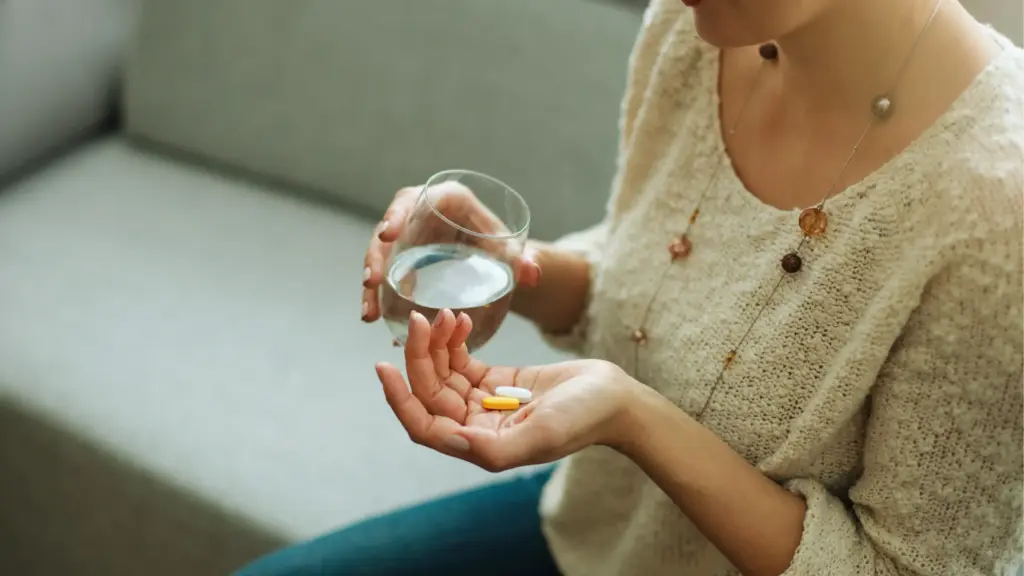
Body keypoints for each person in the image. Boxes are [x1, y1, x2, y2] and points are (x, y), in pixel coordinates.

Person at [238, 0, 1023, 574]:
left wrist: (631, 417)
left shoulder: (996, 212)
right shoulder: (698, 30)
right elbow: (660, 280)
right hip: (592, 533)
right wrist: (509, 269)